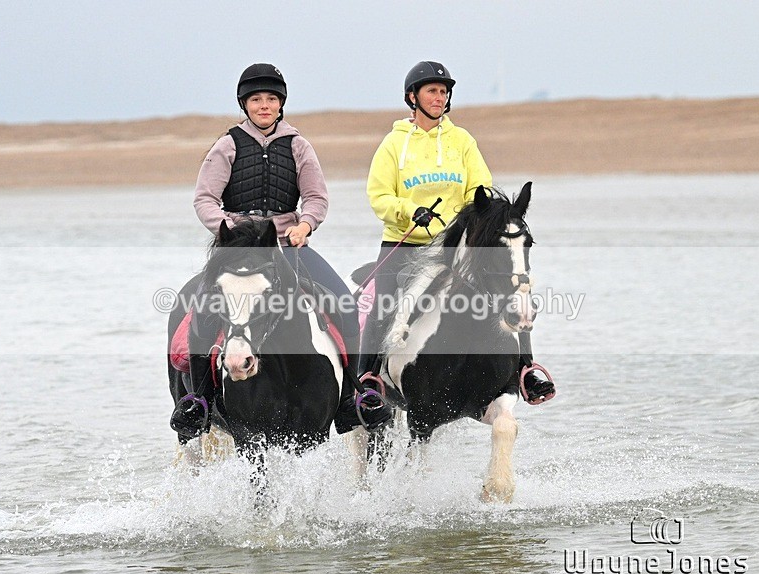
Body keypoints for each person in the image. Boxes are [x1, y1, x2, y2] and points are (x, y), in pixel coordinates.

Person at [170, 63, 391, 440]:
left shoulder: (299, 146)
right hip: (237, 250)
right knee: (201, 312)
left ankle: (350, 399)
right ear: (245, 104)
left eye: (271, 99)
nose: (264, 105)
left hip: (289, 246)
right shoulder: (226, 146)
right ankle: (201, 402)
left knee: (344, 304)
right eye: (256, 99)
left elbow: (317, 197)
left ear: (281, 103)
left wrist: (306, 225)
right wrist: (230, 229)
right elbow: (205, 199)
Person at [360, 60, 555, 402]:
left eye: (443, 92)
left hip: (456, 243)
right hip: (405, 242)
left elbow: (479, 188)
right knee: (384, 301)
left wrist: (468, 220)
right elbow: (379, 195)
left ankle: (525, 370)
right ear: (413, 97)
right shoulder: (393, 145)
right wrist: (409, 210)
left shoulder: (462, 140)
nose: (439, 97)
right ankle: (369, 380)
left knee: (512, 287)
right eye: (432, 91)